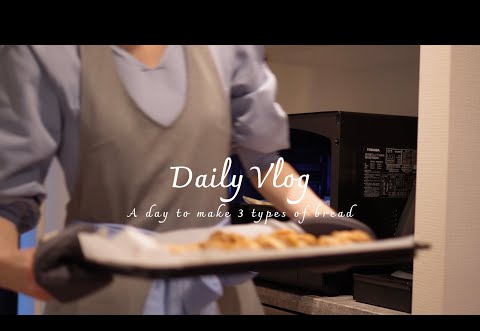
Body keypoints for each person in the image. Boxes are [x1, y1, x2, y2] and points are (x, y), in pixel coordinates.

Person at [0, 45, 333, 314]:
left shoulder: (230, 51)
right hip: (102, 291)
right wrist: (13, 265)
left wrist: (327, 226)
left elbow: (262, 162)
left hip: (215, 295)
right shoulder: (45, 53)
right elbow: (8, 198)